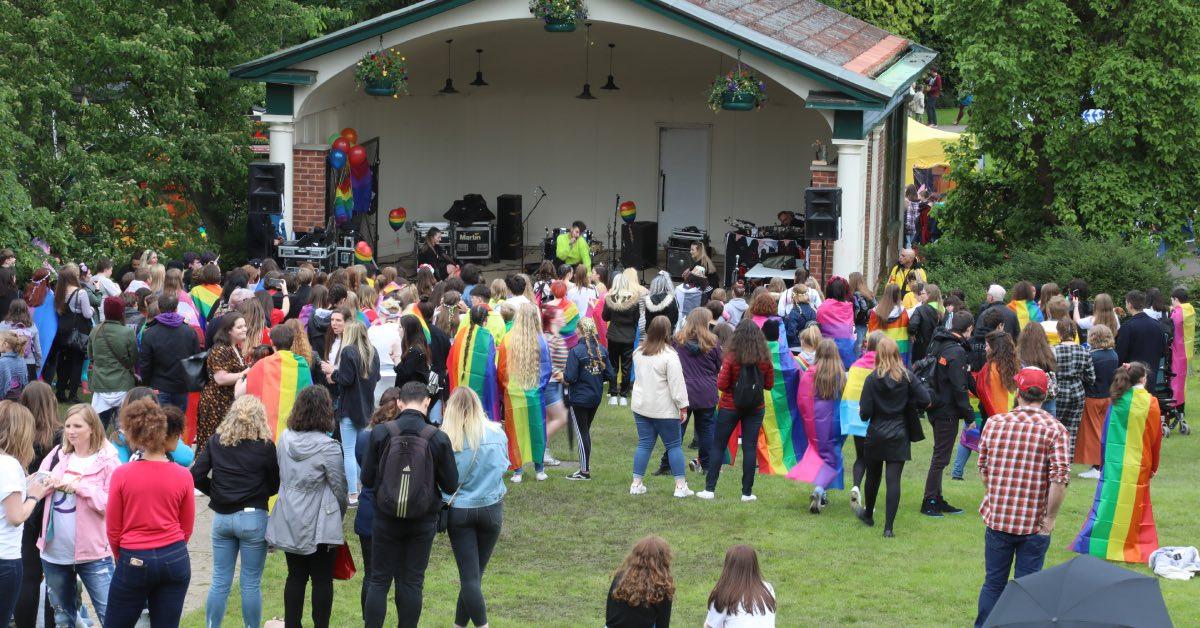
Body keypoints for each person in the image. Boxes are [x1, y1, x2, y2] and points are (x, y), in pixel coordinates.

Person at [975, 367, 1070, 627]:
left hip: (999, 518)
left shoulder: (995, 423)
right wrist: (1049, 518)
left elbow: (984, 469)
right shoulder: (1055, 430)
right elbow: (1059, 479)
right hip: (1034, 523)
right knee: (1027, 589)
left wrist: (997, 492)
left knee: (993, 585)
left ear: (1018, 393)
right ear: (1045, 394)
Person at [361, 382, 457, 628]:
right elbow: (450, 484)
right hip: (422, 519)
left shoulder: (381, 432)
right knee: (412, 581)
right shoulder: (438, 438)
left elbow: (367, 479)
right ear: (427, 403)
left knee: (379, 580)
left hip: (385, 517)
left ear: (400, 403)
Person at [104, 399, 196, 628]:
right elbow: (186, 527)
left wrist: (121, 556)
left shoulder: (122, 475)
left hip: (134, 556)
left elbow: (113, 527)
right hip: (174, 556)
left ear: (134, 436)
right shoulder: (183, 475)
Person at [191, 395, 278, 628]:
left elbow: (195, 475)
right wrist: (258, 493)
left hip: (223, 517)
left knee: (220, 580)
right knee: (250, 582)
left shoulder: (216, 441)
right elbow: (275, 483)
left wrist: (216, 493)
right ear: (260, 418)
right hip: (253, 517)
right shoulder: (266, 447)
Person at [266, 386, 346, 628]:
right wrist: (338, 516)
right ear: (325, 411)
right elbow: (341, 489)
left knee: (296, 575)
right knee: (321, 578)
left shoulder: (285, 438)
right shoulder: (328, 447)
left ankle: (292, 624)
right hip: (320, 518)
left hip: (290, 512)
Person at [1069, 362, 1162, 564]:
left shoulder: (1117, 401)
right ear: (1143, 379)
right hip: (1139, 462)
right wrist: (1154, 465)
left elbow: (1105, 437)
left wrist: (1103, 462)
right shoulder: (1151, 402)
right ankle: (1133, 545)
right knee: (1136, 506)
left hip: (1114, 461)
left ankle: (1097, 541)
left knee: (1106, 503)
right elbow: (1155, 437)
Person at [35, 404, 118, 627]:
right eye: (68, 425)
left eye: (77, 426)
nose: (71, 431)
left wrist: (77, 487)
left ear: (92, 428)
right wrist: (45, 483)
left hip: (93, 554)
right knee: (63, 617)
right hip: (54, 552)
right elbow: (37, 484)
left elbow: (112, 504)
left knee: (110, 614)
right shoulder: (57, 455)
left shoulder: (108, 461)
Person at [441, 387, 509, 628]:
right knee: (474, 577)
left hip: (460, 510)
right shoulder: (497, 433)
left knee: (470, 578)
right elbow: (504, 466)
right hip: (491, 508)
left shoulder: (448, 438)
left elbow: (443, 479)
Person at [855, 337, 930, 537]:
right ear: (897, 354)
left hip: (877, 433)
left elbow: (865, 413)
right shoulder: (907, 377)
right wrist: (908, 403)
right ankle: (888, 528)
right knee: (893, 480)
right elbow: (925, 399)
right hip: (899, 433)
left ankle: (869, 514)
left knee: (873, 476)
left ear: (878, 355)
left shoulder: (872, 379)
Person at [699, 319, 773, 502]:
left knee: (719, 445)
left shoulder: (731, 357)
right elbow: (769, 384)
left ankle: (710, 489)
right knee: (749, 448)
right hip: (756, 407)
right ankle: (746, 493)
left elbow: (722, 384)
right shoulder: (764, 358)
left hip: (730, 406)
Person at [0, 402, 53, 625]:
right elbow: (15, 517)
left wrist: (24, 484)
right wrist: (34, 495)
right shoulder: (9, 465)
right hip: (5, 558)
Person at [629, 316, 692, 498]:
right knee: (674, 445)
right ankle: (680, 487)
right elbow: (677, 384)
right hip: (663, 408)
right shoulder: (669, 356)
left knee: (644, 444)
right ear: (667, 332)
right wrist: (683, 406)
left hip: (642, 406)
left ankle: (636, 483)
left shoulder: (638, 352)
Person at [922, 310, 975, 517]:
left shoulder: (938, 342)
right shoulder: (957, 351)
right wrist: (969, 416)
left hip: (935, 404)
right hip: (946, 409)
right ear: (969, 329)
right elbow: (959, 387)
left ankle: (937, 496)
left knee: (940, 454)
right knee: (941, 458)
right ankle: (929, 500)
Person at [321, 320, 379, 505]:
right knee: (361, 450)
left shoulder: (348, 351)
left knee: (348, 451)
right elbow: (375, 377)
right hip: (366, 406)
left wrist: (333, 374)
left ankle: (353, 493)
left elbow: (346, 379)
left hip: (349, 407)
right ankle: (363, 487)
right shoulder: (372, 352)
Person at [952, 331, 1018, 481]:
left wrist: (967, 377)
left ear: (995, 348)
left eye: (988, 345)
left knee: (991, 463)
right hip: (1011, 420)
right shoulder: (1014, 366)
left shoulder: (989, 369)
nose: (985, 348)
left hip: (992, 420)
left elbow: (981, 391)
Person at [791, 338, 846, 514]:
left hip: (815, 423)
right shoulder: (841, 374)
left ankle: (820, 492)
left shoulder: (810, 372)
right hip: (835, 423)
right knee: (832, 457)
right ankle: (820, 491)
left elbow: (802, 398)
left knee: (820, 456)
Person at [664, 309, 721, 476]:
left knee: (677, 430)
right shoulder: (713, 342)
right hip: (706, 392)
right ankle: (708, 466)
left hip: (684, 391)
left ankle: (668, 464)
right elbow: (719, 365)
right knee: (706, 430)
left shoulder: (677, 341)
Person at [498, 305, 551, 483]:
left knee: (515, 432)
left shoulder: (508, 339)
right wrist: (539, 389)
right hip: (534, 393)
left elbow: (502, 370)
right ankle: (539, 469)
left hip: (513, 394)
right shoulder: (541, 340)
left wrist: (505, 388)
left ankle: (518, 471)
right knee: (537, 429)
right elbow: (546, 368)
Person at [236, 324, 314, 439]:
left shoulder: (262, 365)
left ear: (271, 342)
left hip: (268, 432)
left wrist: (240, 378)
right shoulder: (302, 364)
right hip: (294, 431)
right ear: (291, 342)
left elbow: (238, 394)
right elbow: (309, 394)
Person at [563, 318, 613, 480]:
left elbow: (570, 377)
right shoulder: (602, 350)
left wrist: (562, 376)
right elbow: (610, 375)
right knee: (585, 432)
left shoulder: (576, 351)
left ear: (580, 331)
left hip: (579, 398)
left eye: (577, 329)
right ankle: (584, 468)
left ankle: (584, 471)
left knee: (582, 433)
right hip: (595, 396)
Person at [137, 292, 200, 412]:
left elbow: (145, 364)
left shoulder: (149, 333)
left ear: (159, 309)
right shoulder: (189, 332)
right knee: (177, 424)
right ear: (176, 308)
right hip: (180, 386)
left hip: (160, 386)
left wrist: (146, 383)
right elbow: (195, 362)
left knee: (160, 424)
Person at [196, 314, 247, 454]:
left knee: (224, 445)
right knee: (211, 445)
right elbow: (221, 378)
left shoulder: (235, 347)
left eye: (244, 325)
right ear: (228, 330)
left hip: (226, 402)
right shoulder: (220, 349)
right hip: (215, 403)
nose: (244, 329)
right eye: (240, 327)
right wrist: (246, 372)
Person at [86, 297, 136, 428]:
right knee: (123, 430)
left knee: (98, 429)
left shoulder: (95, 330)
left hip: (100, 384)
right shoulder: (128, 332)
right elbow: (133, 359)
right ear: (122, 312)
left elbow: (90, 355)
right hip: (123, 384)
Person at [605, 536, 675, 628]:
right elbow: (662, 625)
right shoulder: (662, 586)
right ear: (663, 559)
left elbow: (609, 616)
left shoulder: (620, 577)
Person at [447, 305, 502, 423]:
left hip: (460, 384)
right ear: (485, 320)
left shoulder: (461, 333)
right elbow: (490, 365)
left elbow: (451, 360)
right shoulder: (487, 336)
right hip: (479, 387)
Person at [1076, 325, 1118, 477]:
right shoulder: (1113, 355)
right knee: (1103, 430)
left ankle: (1096, 466)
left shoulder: (1092, 356)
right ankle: (1101, 465)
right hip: (1107, 396)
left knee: (1093, 433)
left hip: (1092, 396)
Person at [704, 545, 777, 627]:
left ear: (728, 566)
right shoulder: (768, 588)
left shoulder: (723, 593)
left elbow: (710, 626)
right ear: (754, 565)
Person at [1052, 318, 1094, 458]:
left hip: (1058, 390)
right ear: (1075, 333)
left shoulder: (1054, 351)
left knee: (1055, 426)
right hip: (1077, 391)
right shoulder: (1084, 351)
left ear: (1059, 333)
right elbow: (1091, 378)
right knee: (1072, 429)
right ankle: (1066, 462)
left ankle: (1054, 458)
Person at [52, 265, 93, 403]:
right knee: (77, 362)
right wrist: (92, 309)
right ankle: (73, 395)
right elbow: (87, 314)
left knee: (64, 362)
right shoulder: (80, 293)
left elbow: (58, 312)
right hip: (78, 332)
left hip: (62, 330)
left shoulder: (58, 292)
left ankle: (60, 392)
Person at [603, 273, 641, 406]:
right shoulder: (634, 300)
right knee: (626, 366)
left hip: (613, 336)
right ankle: (624, 396)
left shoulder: (610, 299)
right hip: (628, 337)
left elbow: (605, 317)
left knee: (613, 365)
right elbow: (636, 318)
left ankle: (613, 395)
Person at [540, 306, 569, 468]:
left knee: (551, 419)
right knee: (561, 418)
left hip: (554, 384)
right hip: (550, 384)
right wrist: (561, 376)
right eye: (561, 315)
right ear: (552, 319)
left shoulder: (555, 337)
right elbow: (546, 363)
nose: (564, 317)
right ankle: (540, 450)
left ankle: (543, 451)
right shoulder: (550, 338)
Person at [868, 284, 911, 365]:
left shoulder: (875, 311)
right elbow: (908, 328)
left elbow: (871, 331)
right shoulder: (903, 312)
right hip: (899, 348)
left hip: (880, 347)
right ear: (898, 295)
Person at [0, 300, 42, 382]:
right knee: (28, 392)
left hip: (7, 364)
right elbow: (38, 351)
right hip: (28, 363)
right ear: (26, 310)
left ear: (10, 310)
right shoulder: (32, 326)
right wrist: (37, 365)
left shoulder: (2, 325)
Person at [1169, 287, 1193, 413]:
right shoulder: (1190, 309)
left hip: (1179, 350)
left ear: (1176, 299)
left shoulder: (1179, 312)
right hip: (1187, 350)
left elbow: (1172, 322)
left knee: (1176, 380)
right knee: (1182, 381)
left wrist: (1171, 312)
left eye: (1172, 300)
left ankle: (1176, 408)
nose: (1171, 303)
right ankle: (1180, 406)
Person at [908, 283, 944, 362]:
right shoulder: (945, 311)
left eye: (923, 293)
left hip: (921, 348)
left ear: (929, 295)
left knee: (919, 371)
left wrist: (912, 333)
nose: (921, 295)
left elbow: (912, 325)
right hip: (940, 349)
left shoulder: (920, 309)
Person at [782, 283, 816, 351]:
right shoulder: (813, 311)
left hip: (795, 347)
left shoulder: (794, 313)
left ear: (794, 296)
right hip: (810, 347)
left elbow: (791, 333)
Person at [848, 272, 875, 356]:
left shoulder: (855, 295)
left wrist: (855, 320)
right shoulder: (869, 293)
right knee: (866, 349)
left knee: (858, 350)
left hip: (859, 325)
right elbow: (875, 307)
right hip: (869, 325)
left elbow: (861, 310)